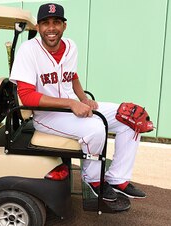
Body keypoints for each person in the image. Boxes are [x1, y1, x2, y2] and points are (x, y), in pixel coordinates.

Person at [10, 3, 146, 201]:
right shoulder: (28, 50)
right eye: (45, 23)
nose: (51, 28)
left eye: (56, 22)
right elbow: (28, 96)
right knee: (95, 128)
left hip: (71, 107)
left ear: (64, 25)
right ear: (38, 27)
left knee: (130, 115)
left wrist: (83, 99)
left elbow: (72, 76)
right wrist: (71, 103)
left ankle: (118, 178)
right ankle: (93, 180)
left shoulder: (71, 46)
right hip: (46, 115)